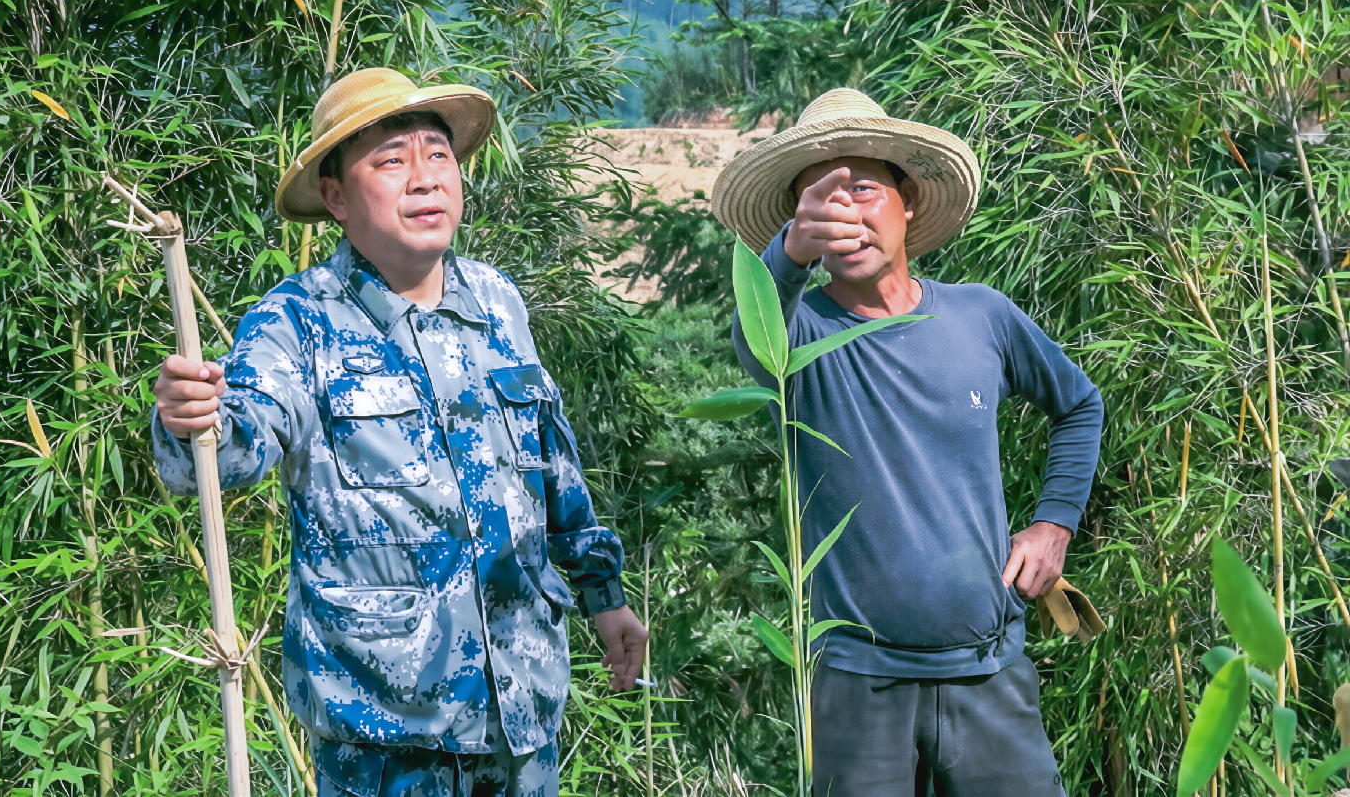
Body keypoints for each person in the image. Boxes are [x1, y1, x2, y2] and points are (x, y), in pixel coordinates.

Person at [152, 68, 648, 797]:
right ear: (336, 196)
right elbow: (234, 441)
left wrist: (604, 595)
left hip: (522, 711)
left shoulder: (498, 302)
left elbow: (551, 465)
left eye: (437, 155)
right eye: (390, 161)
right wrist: (190, 416)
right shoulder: (300, 321)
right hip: (386, 731)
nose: (424, 179)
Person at [713, 88, 1103, 796]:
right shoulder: (798, 338)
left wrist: (1053, 527)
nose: (847, 214)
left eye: (863, 189)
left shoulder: (982, 317)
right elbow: (753, 331)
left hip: (988, 674)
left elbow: (1079, 404)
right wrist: (791, 252)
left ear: (909, 200)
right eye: (821, 200)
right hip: (858, 689)